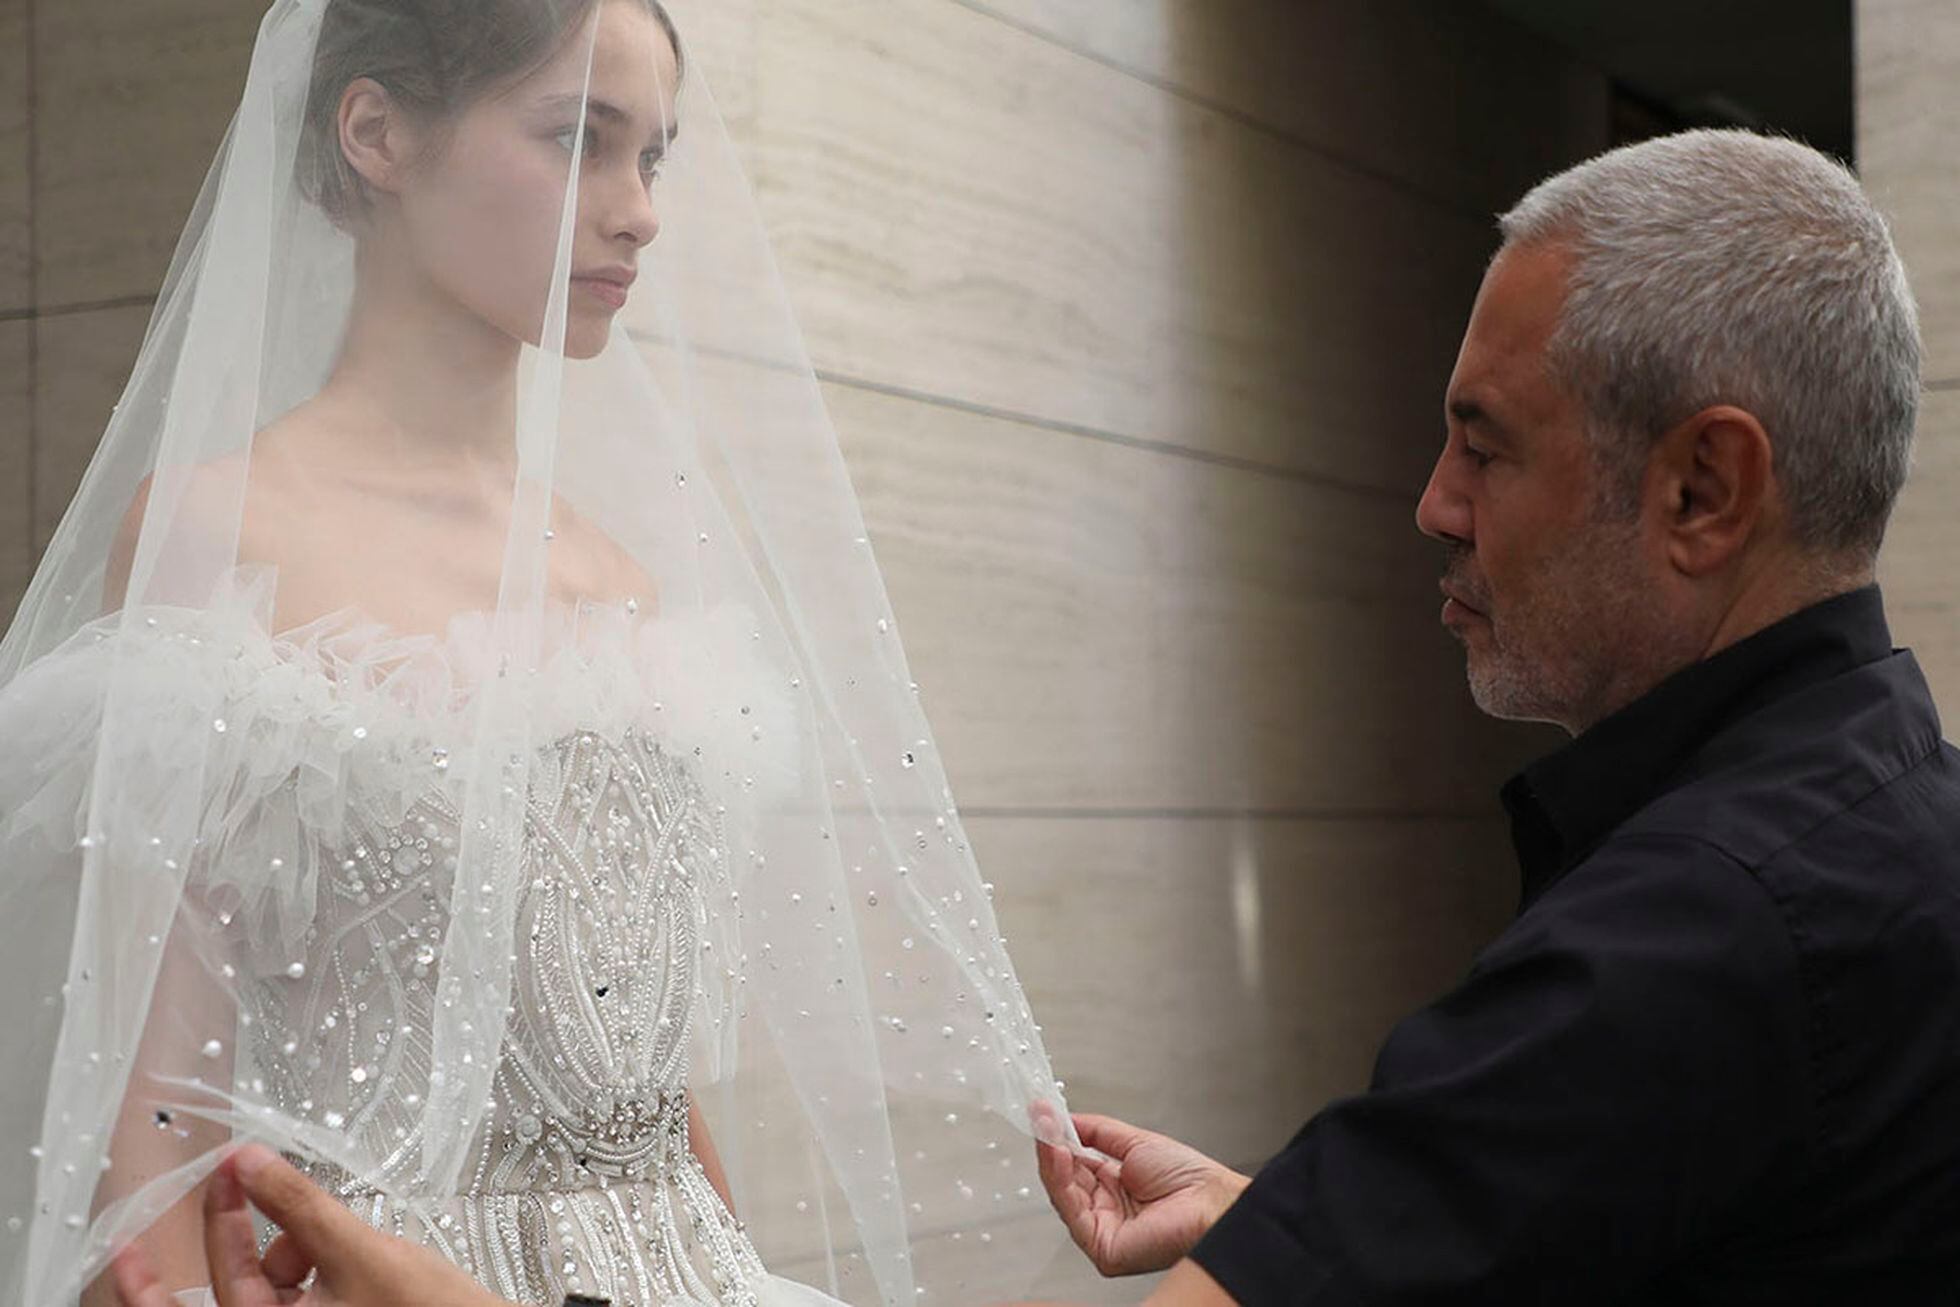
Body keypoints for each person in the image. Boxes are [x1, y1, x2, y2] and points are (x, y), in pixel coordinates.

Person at [0, 2, 1076, 1304]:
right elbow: (162, 1087)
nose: (639, 211)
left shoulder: (618, 576)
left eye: (655, 156)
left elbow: (637, 1086)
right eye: (579, 139)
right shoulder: (221, 532)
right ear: (378, 133)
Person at [1034, 128, 1960, 1303]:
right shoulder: (1910, 822)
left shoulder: (1684, 935)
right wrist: (1301, 1224)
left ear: (1703, 489)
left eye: (1484, 445)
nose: (1435, 503)